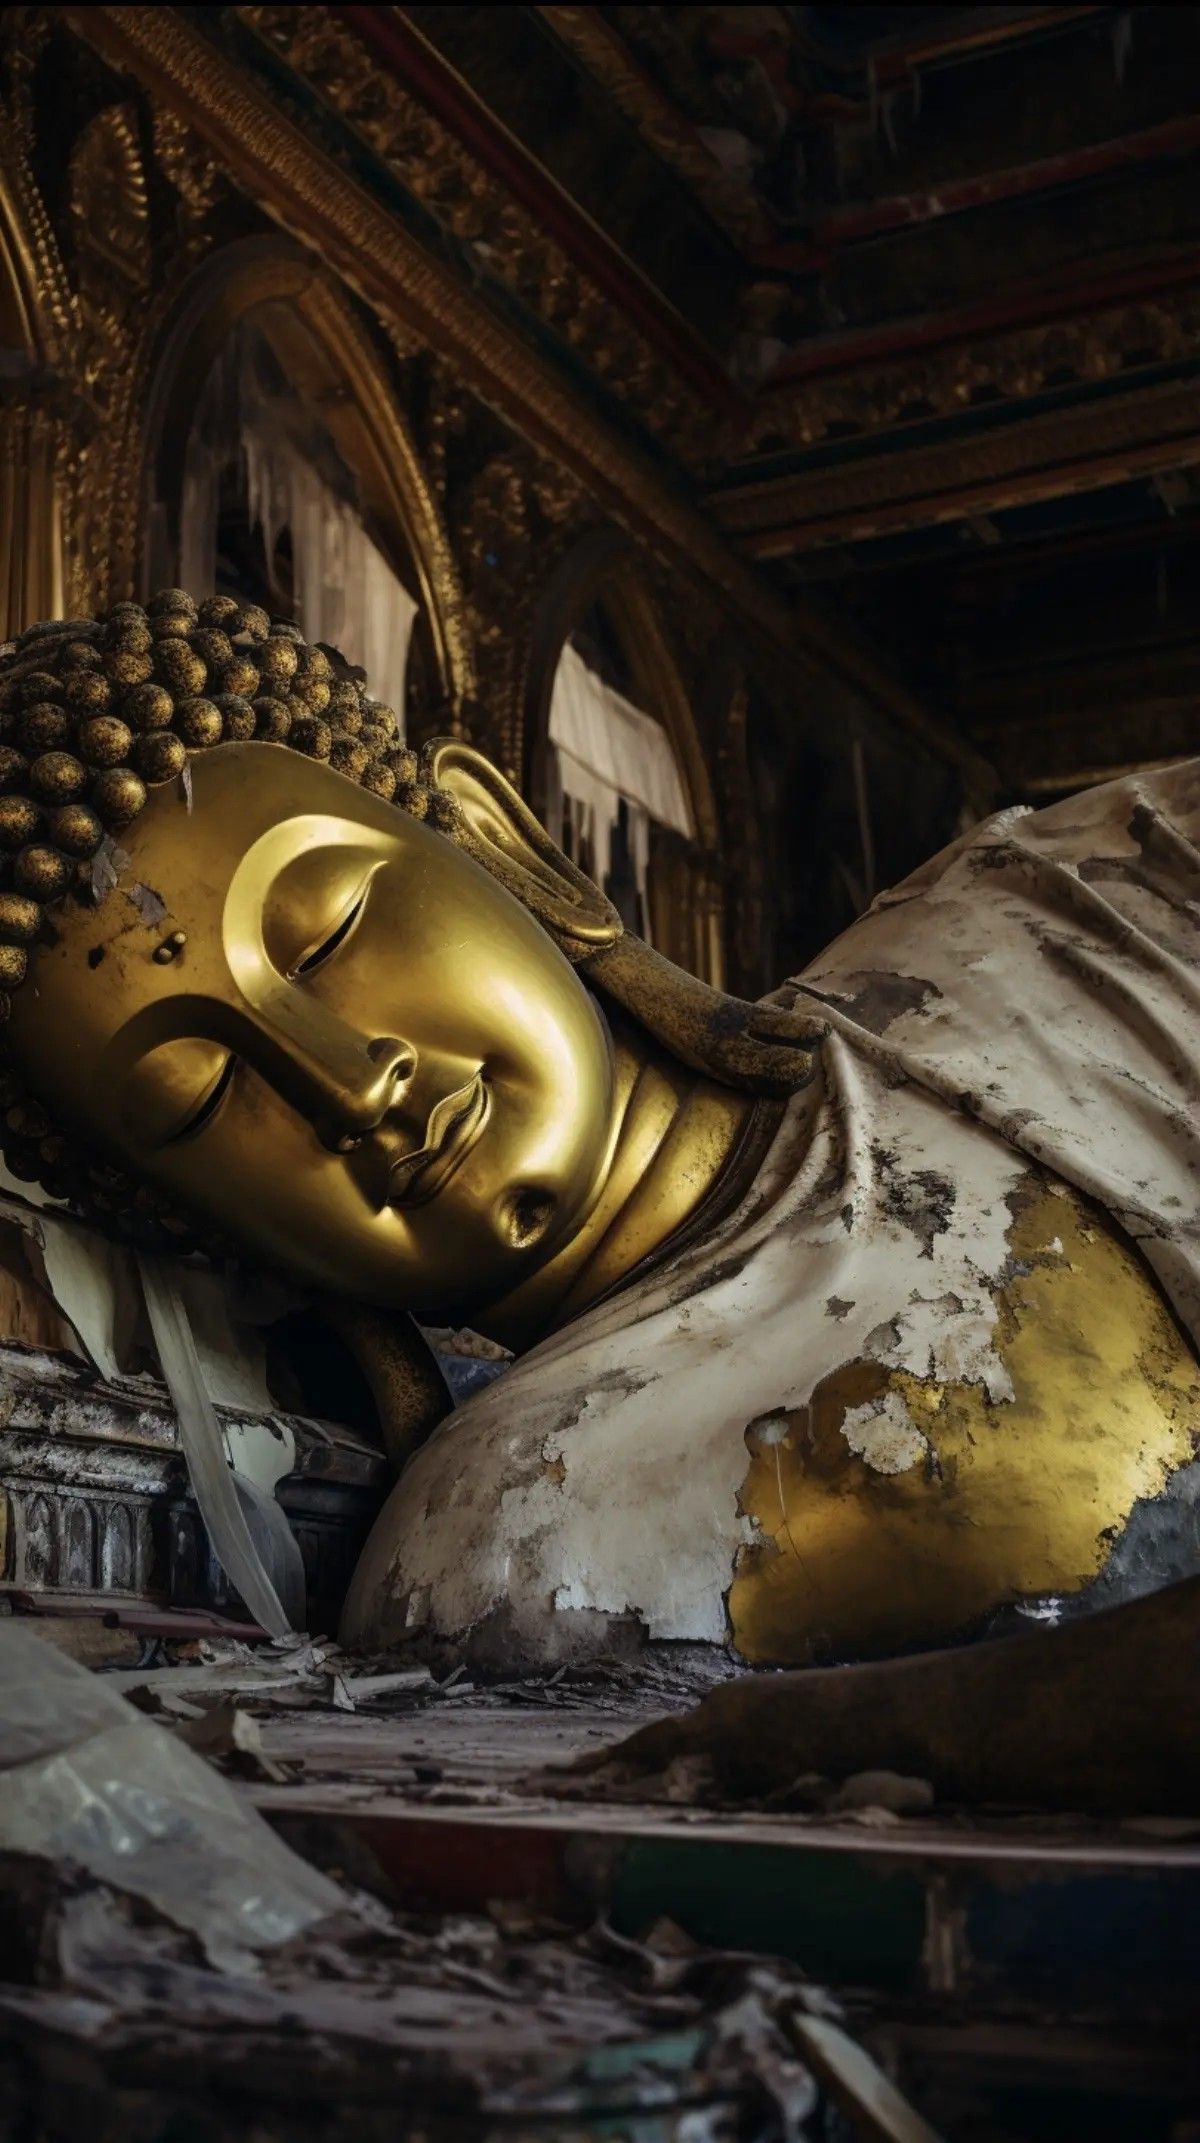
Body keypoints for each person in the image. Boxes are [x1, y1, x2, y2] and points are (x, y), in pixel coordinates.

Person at [2, 591, 1198, 1671]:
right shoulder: (515, 1551)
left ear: (500, 843)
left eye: (328, 932)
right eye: (200, 1101)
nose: (350, 1085)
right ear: (222, 1234)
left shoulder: (1086, 894)